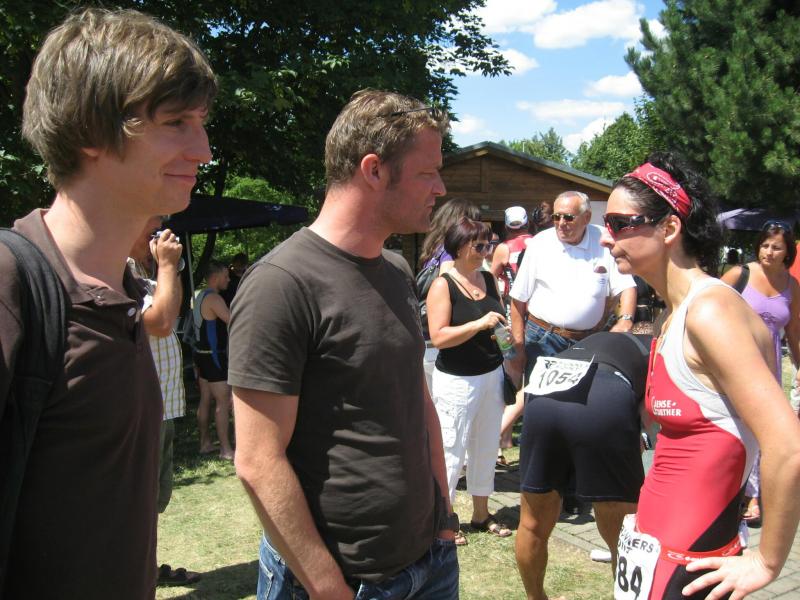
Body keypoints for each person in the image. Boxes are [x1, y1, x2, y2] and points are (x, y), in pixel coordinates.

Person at [0, 8, 215, 598]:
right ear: (90, 132)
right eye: (175, 122)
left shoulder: (124, 295)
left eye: (200, 123)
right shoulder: (13, 285)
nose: (203, 150)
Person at [229, 90, 458, 600]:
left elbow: (417, 401)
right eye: (427, 173)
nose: (440, 188)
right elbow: (258, 460)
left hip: (430, 561)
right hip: (340, 582)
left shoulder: (396, 271)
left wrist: (444, 520)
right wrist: (327, 586)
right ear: (373, 170)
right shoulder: (280, 284)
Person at [600, 152, 800, 599]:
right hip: (656, 549)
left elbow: (788, 445)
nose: (606, 236)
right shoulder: (674, 313)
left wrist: (768, 561)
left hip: (689, 563)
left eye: (619, 223)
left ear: (669, 228)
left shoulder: (710, 311)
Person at [515, 331, 651, 600]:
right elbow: (653, 415)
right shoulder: (659, 349)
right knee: (625, 533)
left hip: (543, 395)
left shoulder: (606, 339)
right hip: (605, 394)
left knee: (532, 523)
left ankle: (535, 597)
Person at [427, 217, 511, 546]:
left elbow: (497, 321)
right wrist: (478, 324)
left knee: (486, 446)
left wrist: (507, 343)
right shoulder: (442, 285)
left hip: (491, 374)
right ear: (460, 247)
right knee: (451, 450)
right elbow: (438, 337)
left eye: (488, 245)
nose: (485, 251)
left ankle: (481, 513)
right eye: (479, 246)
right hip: (457, 381)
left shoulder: (488, 279)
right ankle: (445, 519)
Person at [128, 217, 201, 586]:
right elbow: (159, 323)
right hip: (142, 406)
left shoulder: (145, 271)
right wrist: (168, 265)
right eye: (153, 228)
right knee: (139, 498)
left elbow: (173, 309)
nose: (159, 236)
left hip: (163, 403)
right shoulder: (121, 269)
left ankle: (146, 567)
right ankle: (134, 573)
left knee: (155, 497)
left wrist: (170, 268)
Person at [721, 221, 800, 525]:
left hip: (770, 368)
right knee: (732, 425)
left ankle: (752, 495)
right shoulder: (739, 274)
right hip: (734, 361)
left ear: (787, 252)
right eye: (765, 245)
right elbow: (707, 305)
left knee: (761, 430)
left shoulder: (791, 286)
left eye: (776, 247)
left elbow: (794, 333)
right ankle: (729, 488)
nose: (769, 252)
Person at [418, 197, 482, 392]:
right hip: (442, 347)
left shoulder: (436, 250)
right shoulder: (450, 255)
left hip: (427, 341)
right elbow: (451, 289)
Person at [195, 260, 235, 460]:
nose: (228, 279)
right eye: (226, 276)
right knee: (223, 401)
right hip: (214, 356)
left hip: (201, 355)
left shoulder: (200, 295)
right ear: (216, 277)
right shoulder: (214, 298)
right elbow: (233, 320)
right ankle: (225, 449)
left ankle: (205, 443)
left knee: (205, 399)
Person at [490, 206, 533, 305]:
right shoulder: (540, 242)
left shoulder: (504, 248)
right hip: (538, 302)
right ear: (528, 223)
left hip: (514, 303)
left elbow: (491, 279)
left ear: (506, 227)